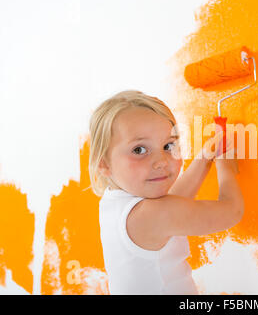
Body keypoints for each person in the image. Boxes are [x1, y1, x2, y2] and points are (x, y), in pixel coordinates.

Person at [88, 90, 244, 294]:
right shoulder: (149, 216)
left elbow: (173, 203)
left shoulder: (115, 203)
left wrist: (204, 159)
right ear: (104, 164)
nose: (161, 161)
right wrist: (226, 166)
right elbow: (231, 211)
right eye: (139, 150)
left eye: (168, 145)